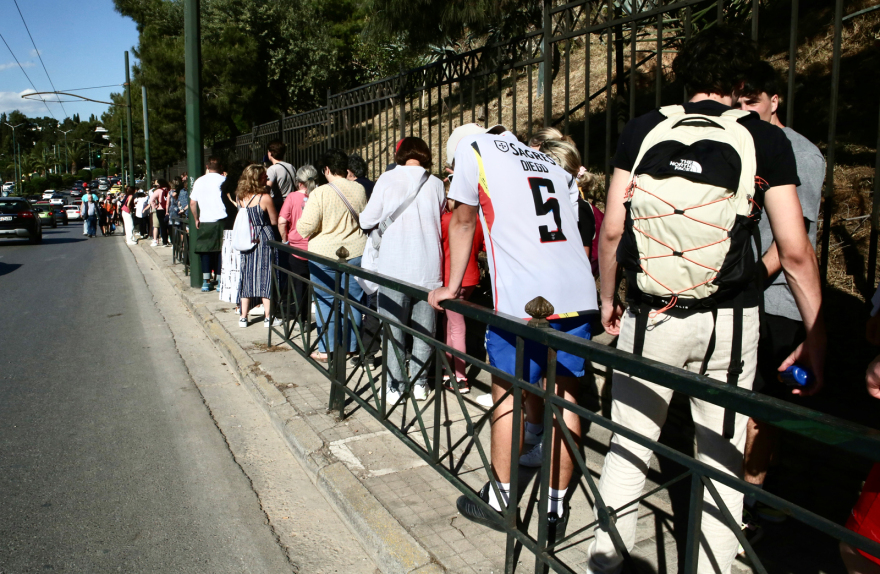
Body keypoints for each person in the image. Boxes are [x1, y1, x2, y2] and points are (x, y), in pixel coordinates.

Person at [587, 27, 825, 574]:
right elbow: (793, 251)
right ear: (741, 83)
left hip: (651, 315)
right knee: (720, 461)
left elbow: (611, 232)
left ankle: (606, 561)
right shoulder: (765, 140)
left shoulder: (644, 128)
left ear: (683, 78)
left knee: (628, 446)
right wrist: (816, 334)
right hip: (731, 325)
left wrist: (608, 299)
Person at [428, 123, 598, 541]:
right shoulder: (546, 157)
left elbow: (464, 221)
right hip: (576, 293)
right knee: (567, 396)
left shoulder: (475, 151)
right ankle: (554, 509)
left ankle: (502, 501)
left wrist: (450, 287)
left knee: (508, 392)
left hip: (522, 298)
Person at [735, 60, 826, 543]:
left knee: (761, 409)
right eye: (738, 100)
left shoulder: (799, 154)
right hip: (744, 293)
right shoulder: (740, 144)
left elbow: (795, 242)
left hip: (777, 300)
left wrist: (747, 280)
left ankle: (753, 504)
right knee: (740, 402)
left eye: (752, 100)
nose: (743, 109)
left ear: (775, 100)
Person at [360, 137, 446, 402]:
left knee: (393, 328)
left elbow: (367, 219)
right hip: (429, 268)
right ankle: (420, 383)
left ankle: (395, 385)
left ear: (401, 153)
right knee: (424, 330)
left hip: (394, 267)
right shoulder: (437, 183)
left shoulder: (387, 180)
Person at [296, 148, 367, 362]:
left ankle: (327, 349)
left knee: (325, 300)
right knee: (353, 300)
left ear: (326, 169)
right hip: (355, 252)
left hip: (324, 256)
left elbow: (304, 228)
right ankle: (351, 347)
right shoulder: (360, 189)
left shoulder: (319, 193)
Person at [439, 177, 484, 395]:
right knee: (451, 322)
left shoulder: (446, 221)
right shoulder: (476, 220)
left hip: (451, 280)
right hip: (472, 277)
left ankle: (459, 376)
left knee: (456, 326)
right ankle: (449, 369)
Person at [234, 164, 282, 328]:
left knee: (246, 274)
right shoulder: (264, 198)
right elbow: (274, 220)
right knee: (266, 275)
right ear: (259, 178)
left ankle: (243, 316)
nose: (267, 179)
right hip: (263, 238)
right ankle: (268, 317)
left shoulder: (239, 197)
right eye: (264, 176)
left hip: (247, 238)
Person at [278, 165, 318, 327]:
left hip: (296, 248)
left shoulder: (292, 197)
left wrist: (284, 239)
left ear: (299, 182)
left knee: (299, 285)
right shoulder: (319, 194)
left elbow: (282, 221)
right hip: (316, 247)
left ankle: (303, 319)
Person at [190, 157, 228, 292]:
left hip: (205, 219)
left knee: (205, 250)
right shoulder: (224, 180)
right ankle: (219, 279)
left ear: (207, 166)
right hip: (222, 218)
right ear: (221, 166)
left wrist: (196, 218)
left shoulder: (199, 181)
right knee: (221, 250)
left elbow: (192, 203)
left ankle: (206, 281)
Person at [266, 141, 297, 214]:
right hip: (291, 203)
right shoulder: (291, 166)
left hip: (279, 205)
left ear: (270, 153)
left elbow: (267, 188)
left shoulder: (272, 169)